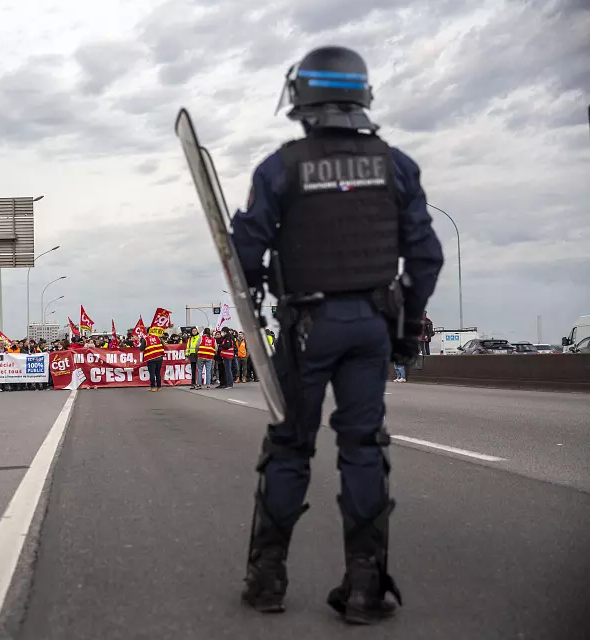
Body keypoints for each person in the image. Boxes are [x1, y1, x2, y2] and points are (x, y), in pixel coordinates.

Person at [230, 46, 443, 624]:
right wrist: (407, 323)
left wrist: (252, 291)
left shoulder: (281, 167)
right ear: (361, 96)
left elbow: (244, 248)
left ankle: (267, 579)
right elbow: (426, 255)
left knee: (290, 446)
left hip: (306, 328)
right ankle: (366, 590)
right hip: (372, 327)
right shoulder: (396, 165)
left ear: (302, 99)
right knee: (364, 449)